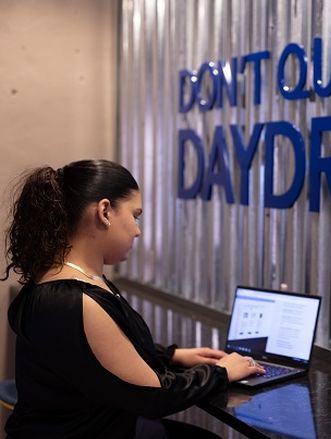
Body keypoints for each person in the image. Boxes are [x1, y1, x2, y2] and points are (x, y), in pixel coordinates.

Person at [2, 160, 265, 438]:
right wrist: (222, 372)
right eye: (135, 215)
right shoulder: (71, 301)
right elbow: (154, 396)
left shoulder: (65, 278)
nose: (137, 230)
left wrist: (173, 356)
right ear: (104, 211)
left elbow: (103, 352)